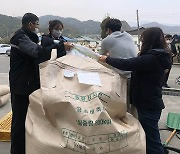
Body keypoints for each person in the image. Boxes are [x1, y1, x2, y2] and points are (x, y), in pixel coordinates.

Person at [99, 27, 172, 154]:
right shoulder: (160, 55)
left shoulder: (152, 58)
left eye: (143, 39)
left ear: (149, 40)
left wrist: (107, 59)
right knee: (149, 135)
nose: (142, 42)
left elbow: (128, 64)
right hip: (151, 101)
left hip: (148, 103)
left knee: (151, 140)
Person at [9, 13, 73, 154]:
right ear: (31, 24)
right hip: (21, 86)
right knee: (20, 121)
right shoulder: (20, 38)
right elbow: (38, 52)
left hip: (29, 85)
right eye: (37, 24)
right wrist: (62, 47)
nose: (38, 27)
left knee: (30, 120)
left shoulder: (30, 37)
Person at [99, 18, 137, 113]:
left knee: (123, 103)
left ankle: (126, 124)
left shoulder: (107, 40)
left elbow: (100, 57)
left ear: (108, 30)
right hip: (135, 74)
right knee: (133, 103)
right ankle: (134, 122)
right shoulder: (128, 36)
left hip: (122, 76)